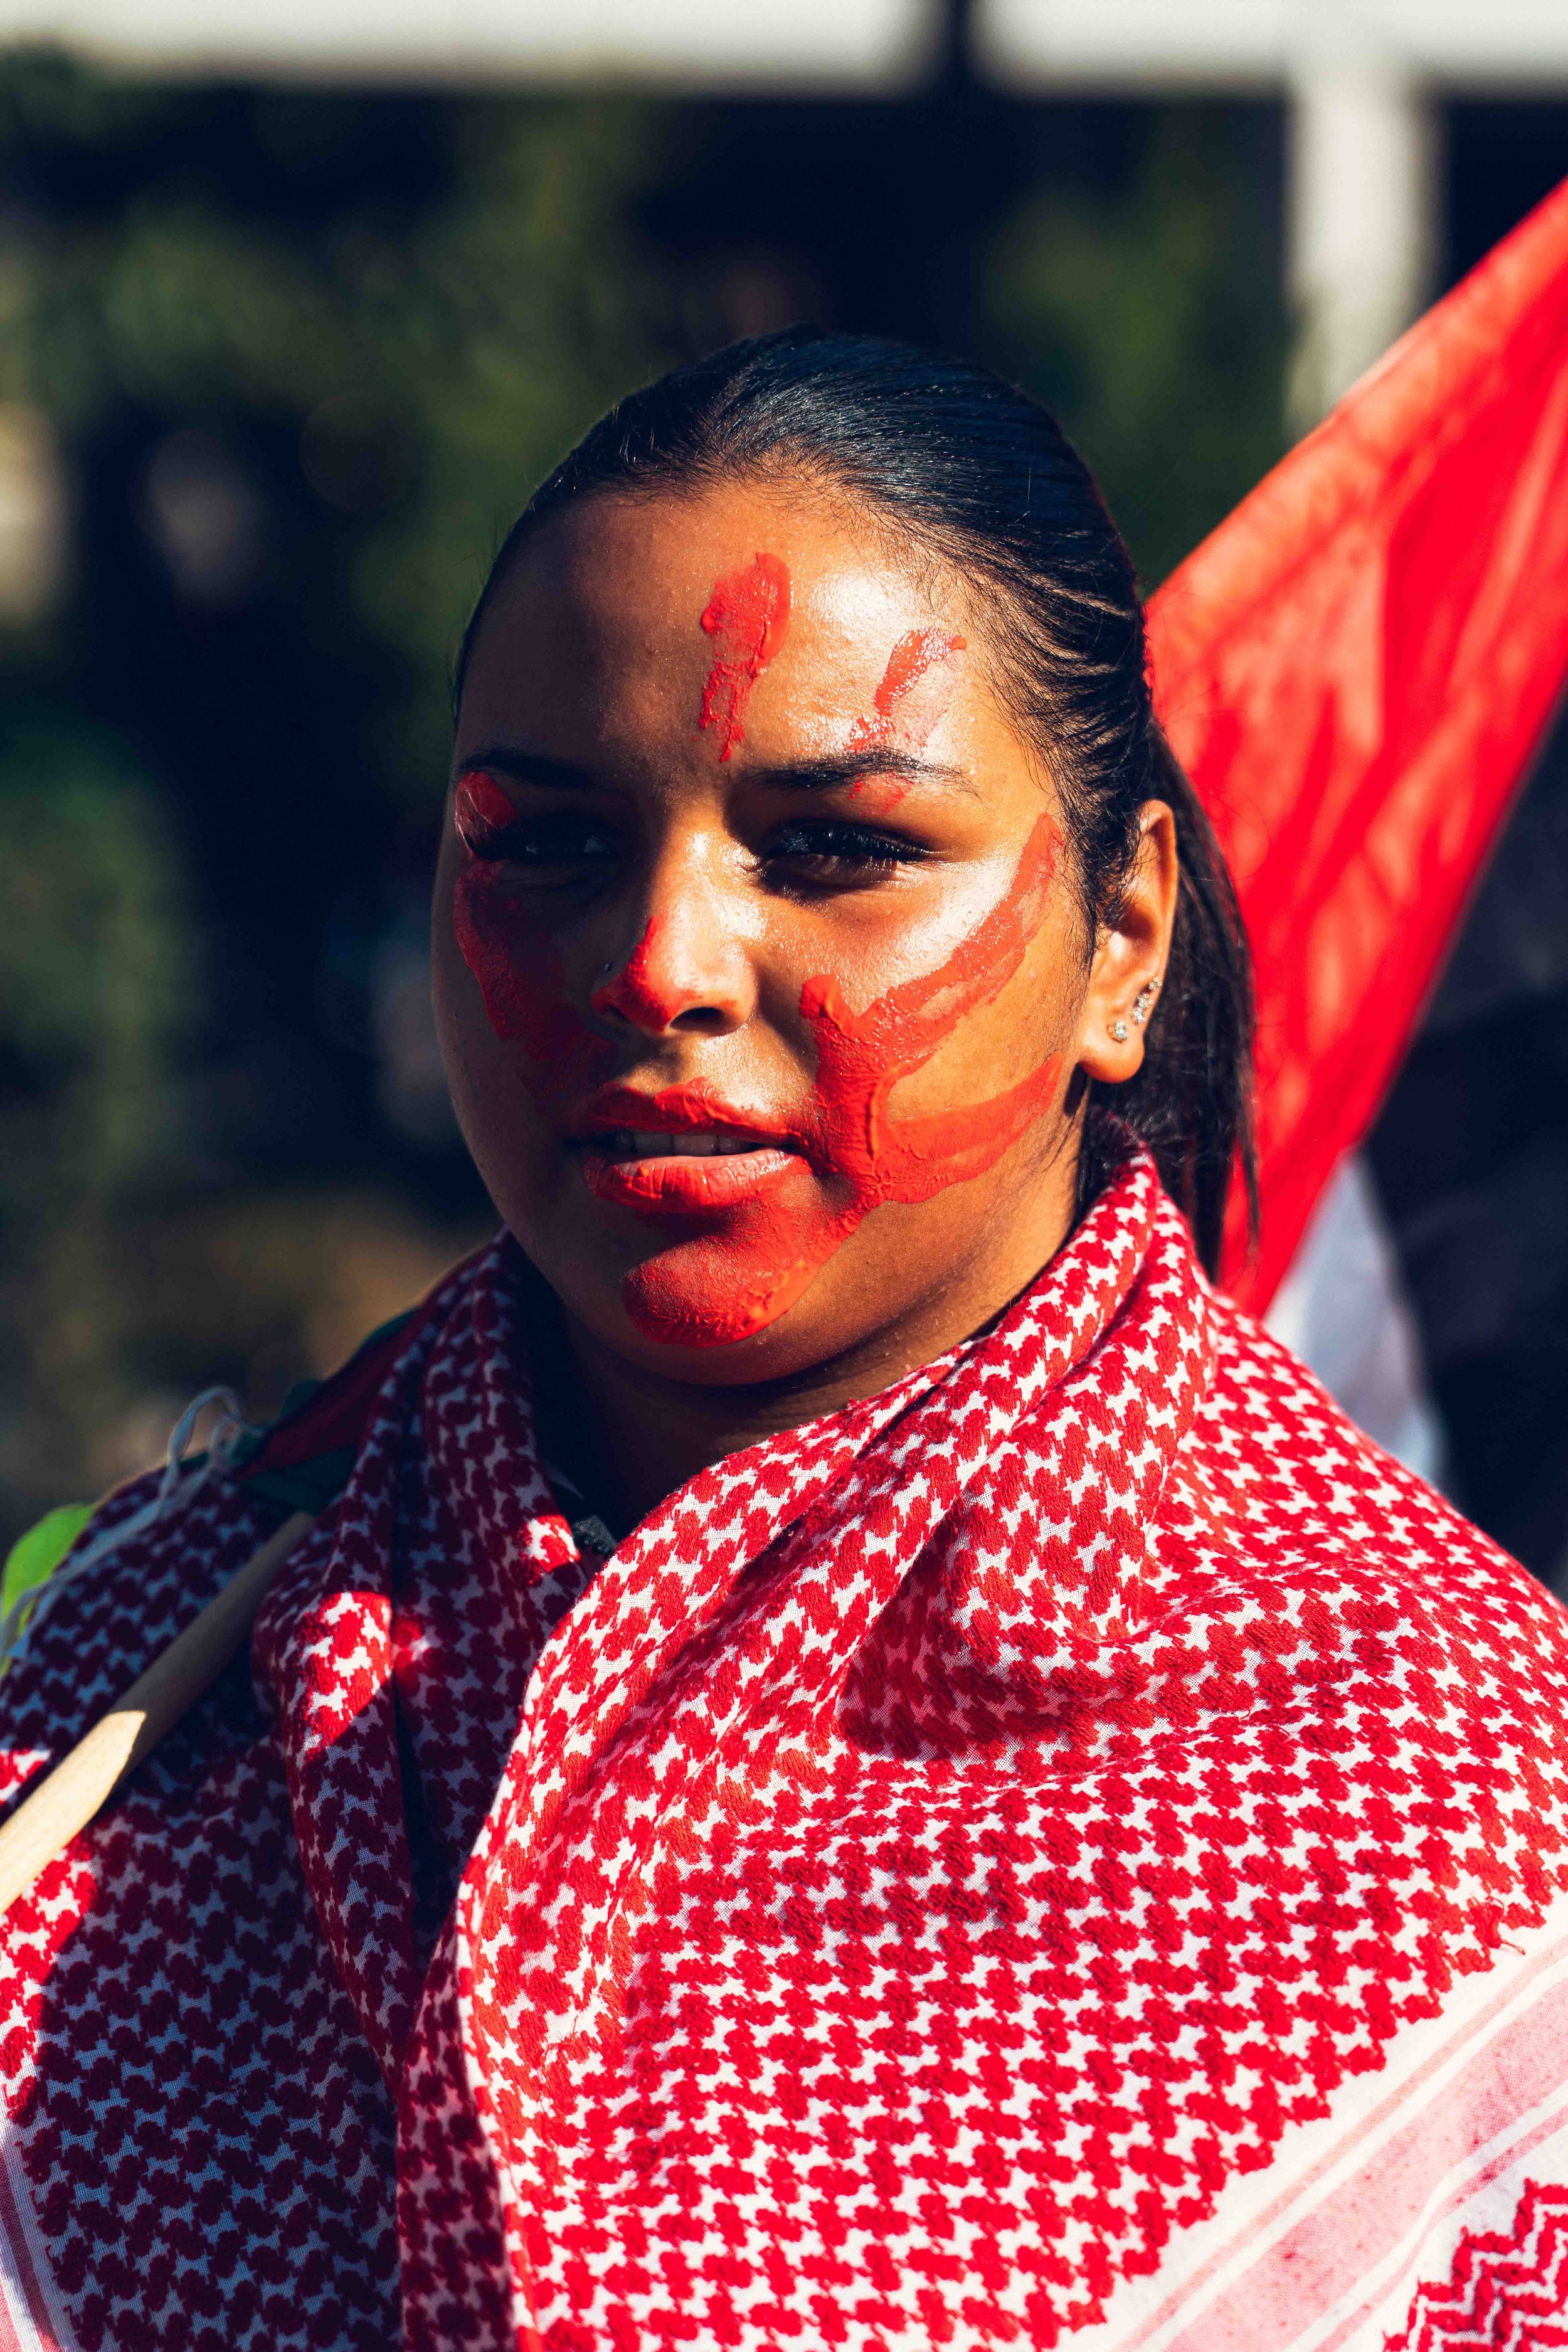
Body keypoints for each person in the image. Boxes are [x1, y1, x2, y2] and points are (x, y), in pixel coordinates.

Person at [1, 329, 1565, 2352]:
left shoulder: (1458, 1824)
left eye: (832, 846)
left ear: (1125, 936)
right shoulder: (129, 1699)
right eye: (546, 842)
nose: (658, 961)